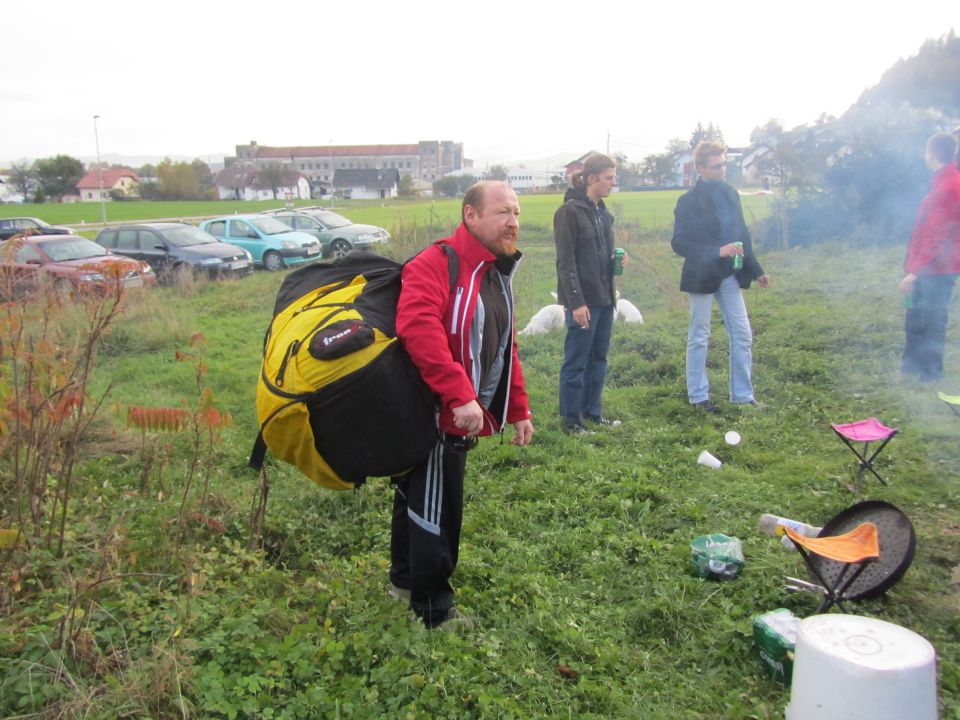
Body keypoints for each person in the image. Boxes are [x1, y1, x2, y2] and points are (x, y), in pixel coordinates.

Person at [390, 181, 534, 629]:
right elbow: (418, 328)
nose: (512, 221)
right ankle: (432, 611)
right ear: (469, 215)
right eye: (501, 212)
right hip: (433, 413)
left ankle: (403, 582)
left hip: (460, 411)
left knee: (416, 498)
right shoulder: (436, 264)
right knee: (437, 506)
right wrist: (459, 396)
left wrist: (518, 408)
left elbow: (504, 347)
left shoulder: (494, 271)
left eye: (515, 212)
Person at [671, 141, 769, 413]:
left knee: (742, 333)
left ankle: (742, 396)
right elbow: (679, 243)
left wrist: (756, 269)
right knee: (700, 335)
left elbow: (742, 234)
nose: (722, 170)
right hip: (701, 277)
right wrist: (717, 251)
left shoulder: (730, 193)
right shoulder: (688, 201)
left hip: (730, 275)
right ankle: (698, 397)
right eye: (716, 166)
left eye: (724, 164)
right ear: (701, 168)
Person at [555, 153, 622, 434]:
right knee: (576, 362)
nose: (612, 183)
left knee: (599, 359)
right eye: (608, 178)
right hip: (583, 301)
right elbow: (566, 262)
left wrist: (617, 260)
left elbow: (601, 255)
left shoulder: (602, 213)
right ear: (592, 178)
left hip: (605, 297)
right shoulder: (569, 212)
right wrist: (577, 302)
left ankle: (592, 413)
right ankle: (571, 421)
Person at [899, 132, 960, 382]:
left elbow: (937, 233)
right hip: (927, 267)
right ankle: (912, 366)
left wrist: (916, 271)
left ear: (932, 153)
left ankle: (930, 373)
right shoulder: (941, 182)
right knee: (914, 314)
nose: (924, 155)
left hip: (937, 269)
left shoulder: (949, 185)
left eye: (926, 151)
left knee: (932, 319)